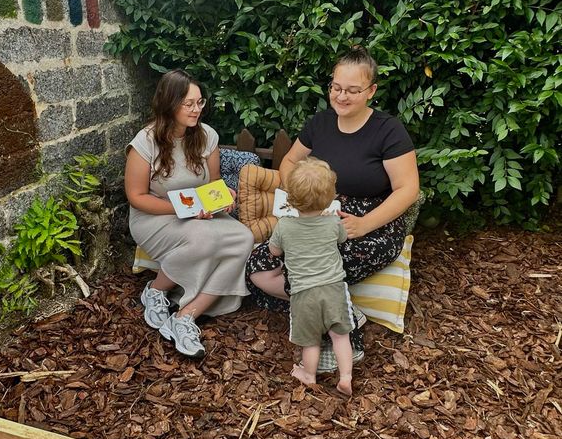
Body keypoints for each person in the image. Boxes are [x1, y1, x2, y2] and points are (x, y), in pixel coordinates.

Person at [246, 45, 419, 363]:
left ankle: (343, 333)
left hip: (372, 222)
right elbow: (289, 162)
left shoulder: (388, 130)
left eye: (353, 90)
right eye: (336, 88)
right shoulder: (321, 123)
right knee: (257, 266)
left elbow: (408, 189)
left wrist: (363, 224)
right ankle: (343, 310)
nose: (342, 96)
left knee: (320, 266)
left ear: (371, 91)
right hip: (320, 213)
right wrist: (298, 194)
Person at [125, 69, 254, 359]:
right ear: (169, 103)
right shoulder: (145, 143)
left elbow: (212, 185)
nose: (196, 110)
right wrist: (188, 208)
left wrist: (221, 197)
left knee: (244, 238)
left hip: (197, 214)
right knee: (204, 241)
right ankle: (156, 291)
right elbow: (136, 197)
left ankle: (185, 316)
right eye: (189, 104)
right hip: (155, 215)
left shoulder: (206, 136)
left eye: (200, 103)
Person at [269, 158, 354, 395]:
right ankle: (346, 376)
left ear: (290, 198)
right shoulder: (332, 221)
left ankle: (308, 374)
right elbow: (343, 239)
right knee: (340, 336)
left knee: (311, 341)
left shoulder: (284, 226)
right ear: (329, 197)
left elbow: (274, 251)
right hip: (334, 288)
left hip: (303, 293)